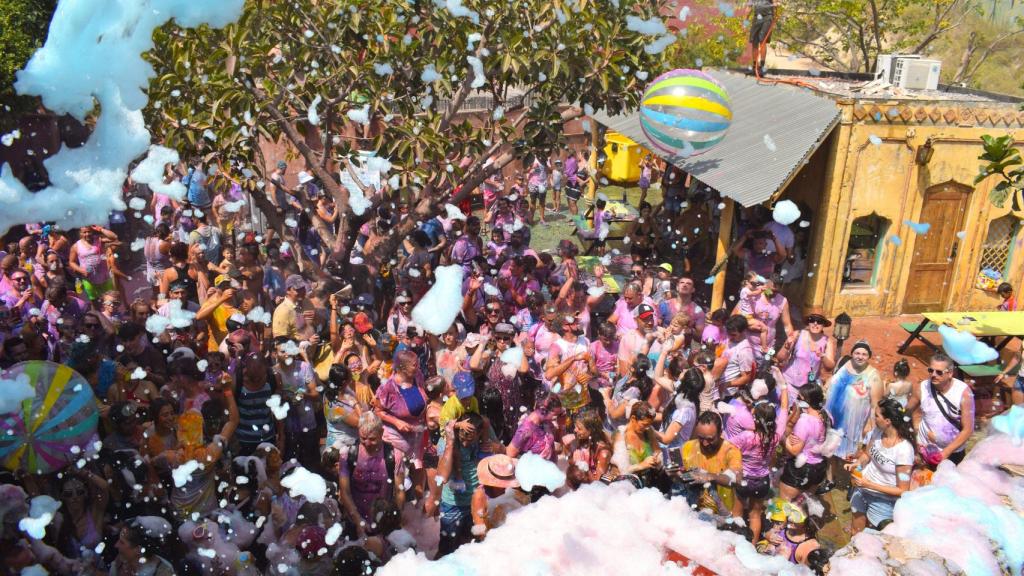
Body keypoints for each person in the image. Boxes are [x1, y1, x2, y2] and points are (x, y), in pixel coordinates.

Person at [846, 397, 916, 533]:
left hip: (882, 502)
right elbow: (867, 454)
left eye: (877, 416)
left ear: (888, 421)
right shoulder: (877, 432)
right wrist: (857, 463)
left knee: (874, 541)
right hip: (861, 491)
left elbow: (903, 490)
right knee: (856, 532)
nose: (874, 418)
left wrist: (869, 484)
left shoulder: (904, 450)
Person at [338, 412, 407, 539]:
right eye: (363, 438)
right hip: (354, 519)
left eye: (372, 439)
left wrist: (395, 520)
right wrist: (358, 520)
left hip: (382, 522)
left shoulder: (394, 455)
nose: (367, 443)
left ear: (381, 433)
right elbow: (345, 491)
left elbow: (399, 491)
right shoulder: (347, 454)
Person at [906, 352, 975, 467]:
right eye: (930, 370)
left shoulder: (964, 393)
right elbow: (906, 412)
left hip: (952, 453)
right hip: (923, 449)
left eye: (939, 372)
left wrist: (946, 452)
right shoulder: (923, 387)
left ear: (950, 373)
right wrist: (910, 440)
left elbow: (968, 429)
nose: (933, 375)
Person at [434, 412, 487, 557]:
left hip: (474, 504)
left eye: (470, 439)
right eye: (462, 438)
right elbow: (442, 477)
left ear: (480, 433)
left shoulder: (482, 440)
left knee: (471, 548)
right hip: (452, 506)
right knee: (446, 551)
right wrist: (451, 443)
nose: (465, 443)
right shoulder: (445, 442)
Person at [825, 341, 882, 466]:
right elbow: (832, 381)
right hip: (834, 419)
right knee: (830, 452)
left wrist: (870, 424)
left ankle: (846, 482)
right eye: (857, 353)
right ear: (852, 354)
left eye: (864, 354)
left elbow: (876, 405)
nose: (860, 357)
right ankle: (830, 481)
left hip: (854, 424)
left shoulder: (873, 376)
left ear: (869, 356)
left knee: (849, 455)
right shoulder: (844, 365)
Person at [680, 411, 743, 518]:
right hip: (693, 513)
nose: (705, 443)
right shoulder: (687, 447)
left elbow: (736, 479)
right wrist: (673, 473)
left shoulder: (730, 451)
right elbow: (682, 476)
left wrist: (709, 476)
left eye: (710, 439)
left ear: (720, 433)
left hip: (721, 514)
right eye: (701, 438)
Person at [779, 384, 830, 501]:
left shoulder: (804, 421)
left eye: (799, 397)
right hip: (819, 468)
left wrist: (783, 439)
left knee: (784, 510)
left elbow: (794, 451)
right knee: (803, 508)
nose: (796, 400)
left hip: (801, 470)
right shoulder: (826, 416)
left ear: (806, 400)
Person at [777, 313, 836, 399]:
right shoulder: (798, 334)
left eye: (819, 321)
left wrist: (823, 356)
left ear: (823, 325)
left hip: (809, 388)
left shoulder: (827, 341)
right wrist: (786, 347)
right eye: (812, 320)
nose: (815, 323)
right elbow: (780, 358)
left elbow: (830, 367)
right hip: (789, 382)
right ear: (808, 323)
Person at [748, 1, 777, 77]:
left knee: (762, 40)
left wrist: (774, 15)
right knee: (754, 42)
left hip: (767, 17)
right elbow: (749, 6)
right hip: (756, 18)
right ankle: (755, 67)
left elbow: (775, 3)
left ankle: (762, 68)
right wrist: (745, 19)